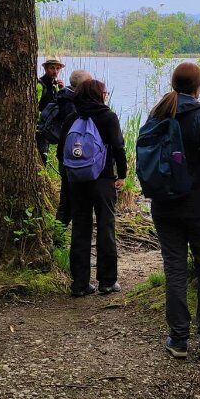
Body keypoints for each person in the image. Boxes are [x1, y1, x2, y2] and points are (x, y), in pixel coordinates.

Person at [146, 62, 200, 359]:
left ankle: (178, 339)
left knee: (175, 269)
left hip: (164, 206)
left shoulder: (157, 114)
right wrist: (191, 183)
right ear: (198, 86)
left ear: (173, 83)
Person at [60, 80, 126, 297]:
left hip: (77, 181)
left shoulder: (72, 117)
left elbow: (61, 152)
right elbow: (118, 147)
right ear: (100, 95)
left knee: (80, 229)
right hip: (103, 179)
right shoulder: (108, 116)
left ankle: (79, 284)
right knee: (106, 227)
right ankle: (107, 281)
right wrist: (122, 175)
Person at [54, 69, 92, 226]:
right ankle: (57, 237)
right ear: (82, 87)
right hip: (72, 161)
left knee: (67, 200)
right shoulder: (72, 106)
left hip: (66, 158)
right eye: (90, 83)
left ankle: (58, 234)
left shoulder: (64, 98)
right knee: (68, 202)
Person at [36, 58, 67, 158]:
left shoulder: (55, 85)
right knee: (42, 154)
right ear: (45, 68)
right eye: (52, 68)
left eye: (58, 69)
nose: (55, 71)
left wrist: (62, 90)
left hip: (48, 126)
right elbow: (34, 106)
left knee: (45, 153)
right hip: (40, 126)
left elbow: (57, 103)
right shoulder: (40, 85)